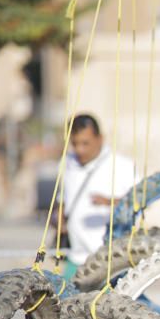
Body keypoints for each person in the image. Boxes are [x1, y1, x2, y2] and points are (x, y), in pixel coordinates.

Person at [59, 114, 136, 277]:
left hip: (111, 262)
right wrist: (58, 218)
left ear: (100, 139)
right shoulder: (67, 162)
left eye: (85, 143)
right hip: (76, 258)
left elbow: (141, 201)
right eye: (75, 143)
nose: (80, 149)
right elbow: (62, 200)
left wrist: (109, 202)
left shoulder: (122, 165)